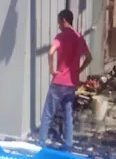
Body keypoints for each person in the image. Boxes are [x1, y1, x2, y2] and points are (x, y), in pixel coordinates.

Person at [37, 9, 92, 150]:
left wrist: (52, 70)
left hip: (59, 82)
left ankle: (41, 144)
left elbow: (51, 52)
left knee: (48, 114)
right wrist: (78, 71)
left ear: (64, 20)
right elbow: (89, 58)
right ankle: (68, 145)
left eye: (59, 23)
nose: (59, 26)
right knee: (68, 116)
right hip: (71, 84)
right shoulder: (79, 37)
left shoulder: (61, 37)